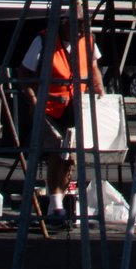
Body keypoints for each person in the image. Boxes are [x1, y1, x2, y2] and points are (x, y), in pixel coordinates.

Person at [28, 15, 104, 214]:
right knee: (56, 154)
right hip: (51, 109)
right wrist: (33, 98)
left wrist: (99, 89)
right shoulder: (44, 40)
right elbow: (25, 73)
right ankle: (55, 204)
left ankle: (62, 198)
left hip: (77, 108)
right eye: (77, 27)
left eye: (83, 27)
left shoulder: (88, 41)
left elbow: (94, 67)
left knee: (69, 157)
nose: (80, 32)